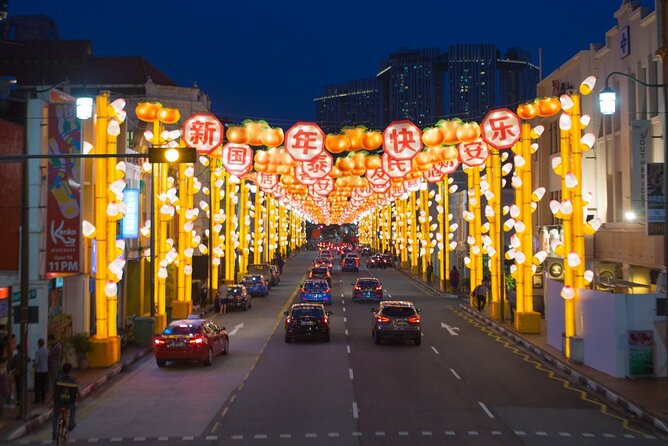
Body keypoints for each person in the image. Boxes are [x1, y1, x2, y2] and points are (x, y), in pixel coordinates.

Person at [52, 362, 78, 440]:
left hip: (58, 401)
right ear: (70, 370)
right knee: (73, 408)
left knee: (55, 416)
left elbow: (54, 389)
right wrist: (80, 395)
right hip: (69, 402)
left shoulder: (57, 378)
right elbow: (76, 390)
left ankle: (54, 434)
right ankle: (71, 425)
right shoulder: (73, 380)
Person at [33, 338, 48, 403]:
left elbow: (36, 362)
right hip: (45, 370)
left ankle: (37, 399)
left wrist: (33, 364)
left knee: (37, 386)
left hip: (39, 371)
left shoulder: (37, 351)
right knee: (43, 385)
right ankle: (43, 398)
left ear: (38, 343)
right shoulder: (47, 351)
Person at [0, 359, 9, 423]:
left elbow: (6, 381)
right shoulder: (3, 371)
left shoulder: (4, 370)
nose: (5, 365)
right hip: (2, 389)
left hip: (4, 389)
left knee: (2, 405)